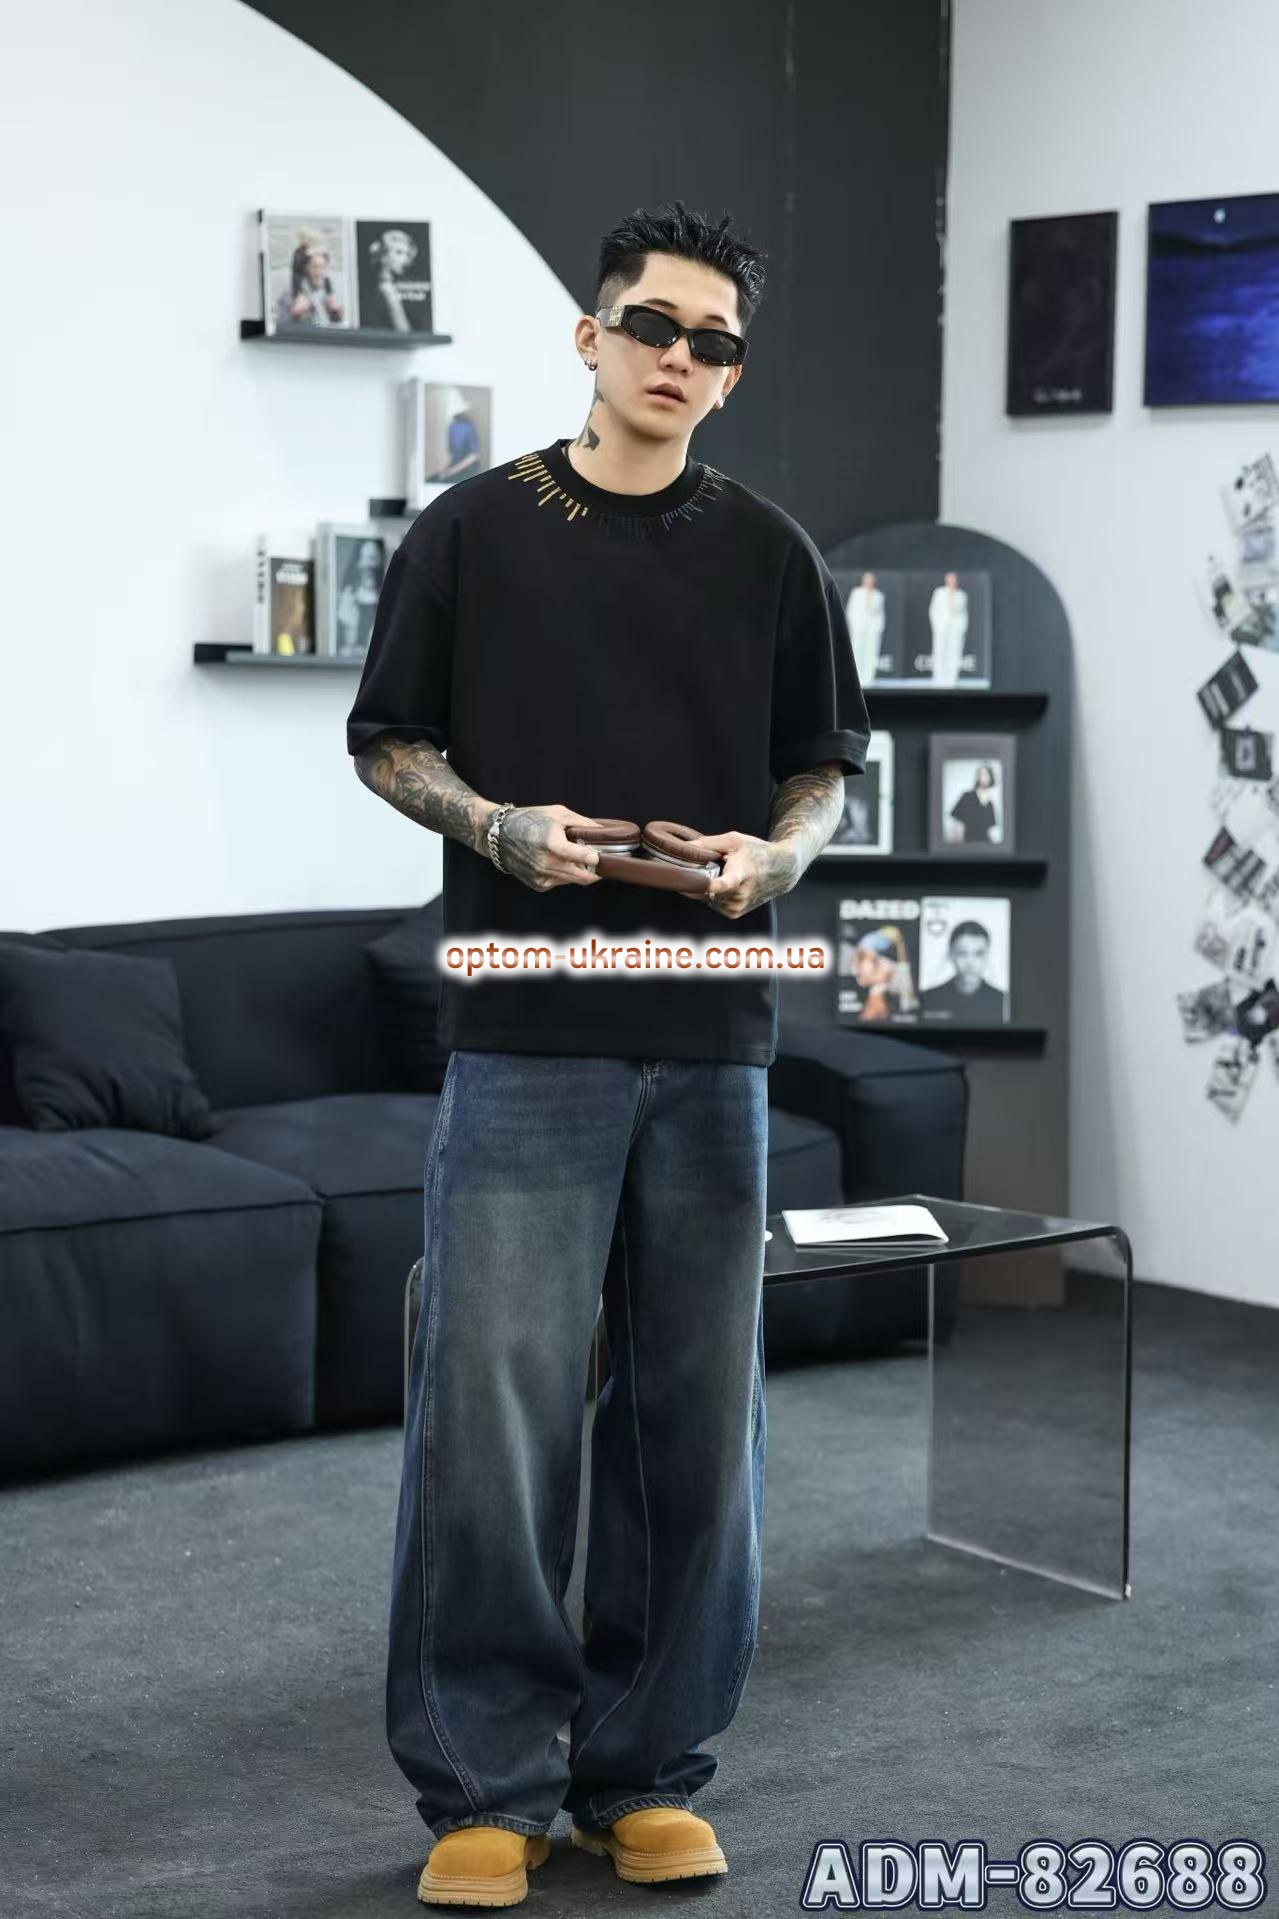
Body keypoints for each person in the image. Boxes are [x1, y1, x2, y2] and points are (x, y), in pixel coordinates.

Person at [345, 197, 870, 1908]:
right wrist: (492, 823)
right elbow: (388, 740)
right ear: (590, 334)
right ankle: (484, 1781)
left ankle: (642, 1769)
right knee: (491, 1417)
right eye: (651, 323)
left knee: (695, 1421)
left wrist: (778, 856)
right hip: (524, 1029)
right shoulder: (473, 531)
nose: (676, 356)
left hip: (710, 1034)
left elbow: (818, 767)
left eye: (712, 341)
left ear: (731, 373)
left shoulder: (769, 553)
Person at [919, 918, 1008, 1021]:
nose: (970, 962)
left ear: (987, 955)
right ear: (951, 954)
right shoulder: (928, 999)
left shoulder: (1003, 1001)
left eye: (979, 953)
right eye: (962, 953)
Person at [947, 762, 999, 845]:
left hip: (984, 847)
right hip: (967, 844)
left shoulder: (990, 804)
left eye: (985, 774)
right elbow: (956, 822)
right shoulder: (967, 796)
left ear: (990, 777)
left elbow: (989, 831)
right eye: (981, 774)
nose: (983, 777)